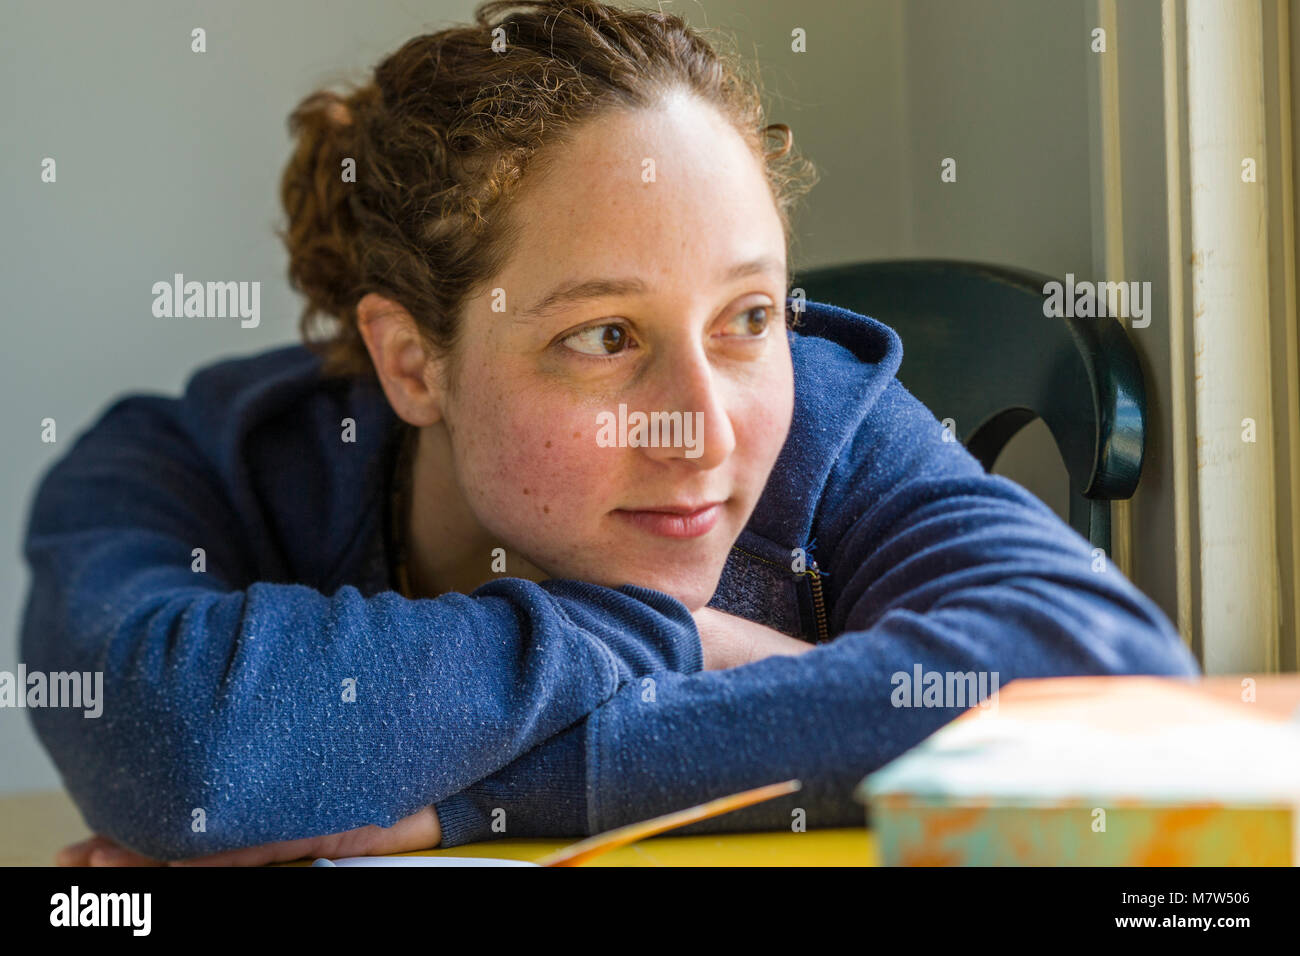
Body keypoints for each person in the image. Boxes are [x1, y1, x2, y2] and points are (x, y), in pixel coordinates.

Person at [26, 0, 1198, 866]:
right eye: (602, 335)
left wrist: (468, 800)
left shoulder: (824, 418)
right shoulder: (179, 469)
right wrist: (679, 637)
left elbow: (1106, 681)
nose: (703, 430)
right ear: (409, 359)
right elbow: (183, 748)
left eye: (746, 315)